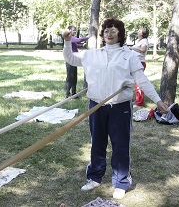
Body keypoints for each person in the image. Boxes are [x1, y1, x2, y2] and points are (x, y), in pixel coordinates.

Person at [62, 17, 168, 200]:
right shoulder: (92, 54)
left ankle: (121, 183)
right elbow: (71, 58)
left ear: (120, 34)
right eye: (106, 30)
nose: (109, 33)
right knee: (97, 142)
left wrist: (157, 100)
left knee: (120, 144)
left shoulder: (129, 55)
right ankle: (94, 177)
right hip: (96, 106)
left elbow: (141, 80)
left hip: (120, 107)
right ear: (102, 34)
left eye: (113, 30)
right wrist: (66, 41)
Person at [65, 25, 89, 98]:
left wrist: (82, 46)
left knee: (74, 77)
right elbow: (78, 40)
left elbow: (76, 45)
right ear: (69, 31)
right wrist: (88, 37)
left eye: (75, 30)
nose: (74, 32)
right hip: (70, 60)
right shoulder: (69, 38)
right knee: (70, 77)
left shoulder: (73, 39)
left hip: (74, 59)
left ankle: (74, 93)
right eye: (73, 30)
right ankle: (67, 93)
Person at [130, 27, 149, 107]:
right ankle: (137, 100)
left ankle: (140, 102)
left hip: (140, 63)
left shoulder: (144, 41)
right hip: (135, 62)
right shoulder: (140, 41)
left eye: (139, 31)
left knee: (138, 83)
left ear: (142, 33)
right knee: (135, 82)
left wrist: (132, 47)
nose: (138, 32)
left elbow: (143, 50)